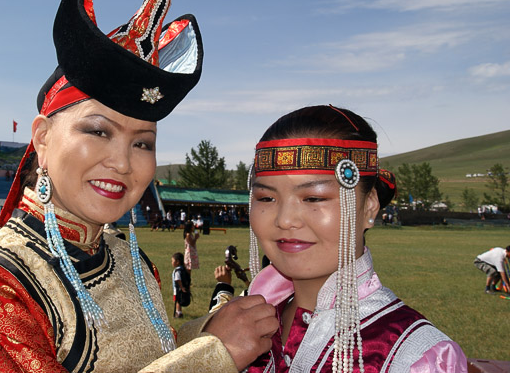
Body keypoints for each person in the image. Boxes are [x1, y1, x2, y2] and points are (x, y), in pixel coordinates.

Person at [0, 0, 277, 373]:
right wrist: (213, 354)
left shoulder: (127, 257)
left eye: (143, 143)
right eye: (98, 131)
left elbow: (144, 356)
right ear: (42, 138)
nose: (122, 162)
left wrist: (214, 329)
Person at [192, 105, 466, 372]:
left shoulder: (417, 357)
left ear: (369, 206)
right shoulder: (233, 325)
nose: (285, 220)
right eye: (266, 198)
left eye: (313, 198)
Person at [171, 252, 190, 318]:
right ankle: (179, 311)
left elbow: (177, 279)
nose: (172, 262)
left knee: (178, 301)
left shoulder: (177, 270)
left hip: (177, 290)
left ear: (177, 262)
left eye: (172, 261)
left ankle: (178, 313)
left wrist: (181, 287)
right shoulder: (183, 269)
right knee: (179, 301)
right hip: (182, 288)